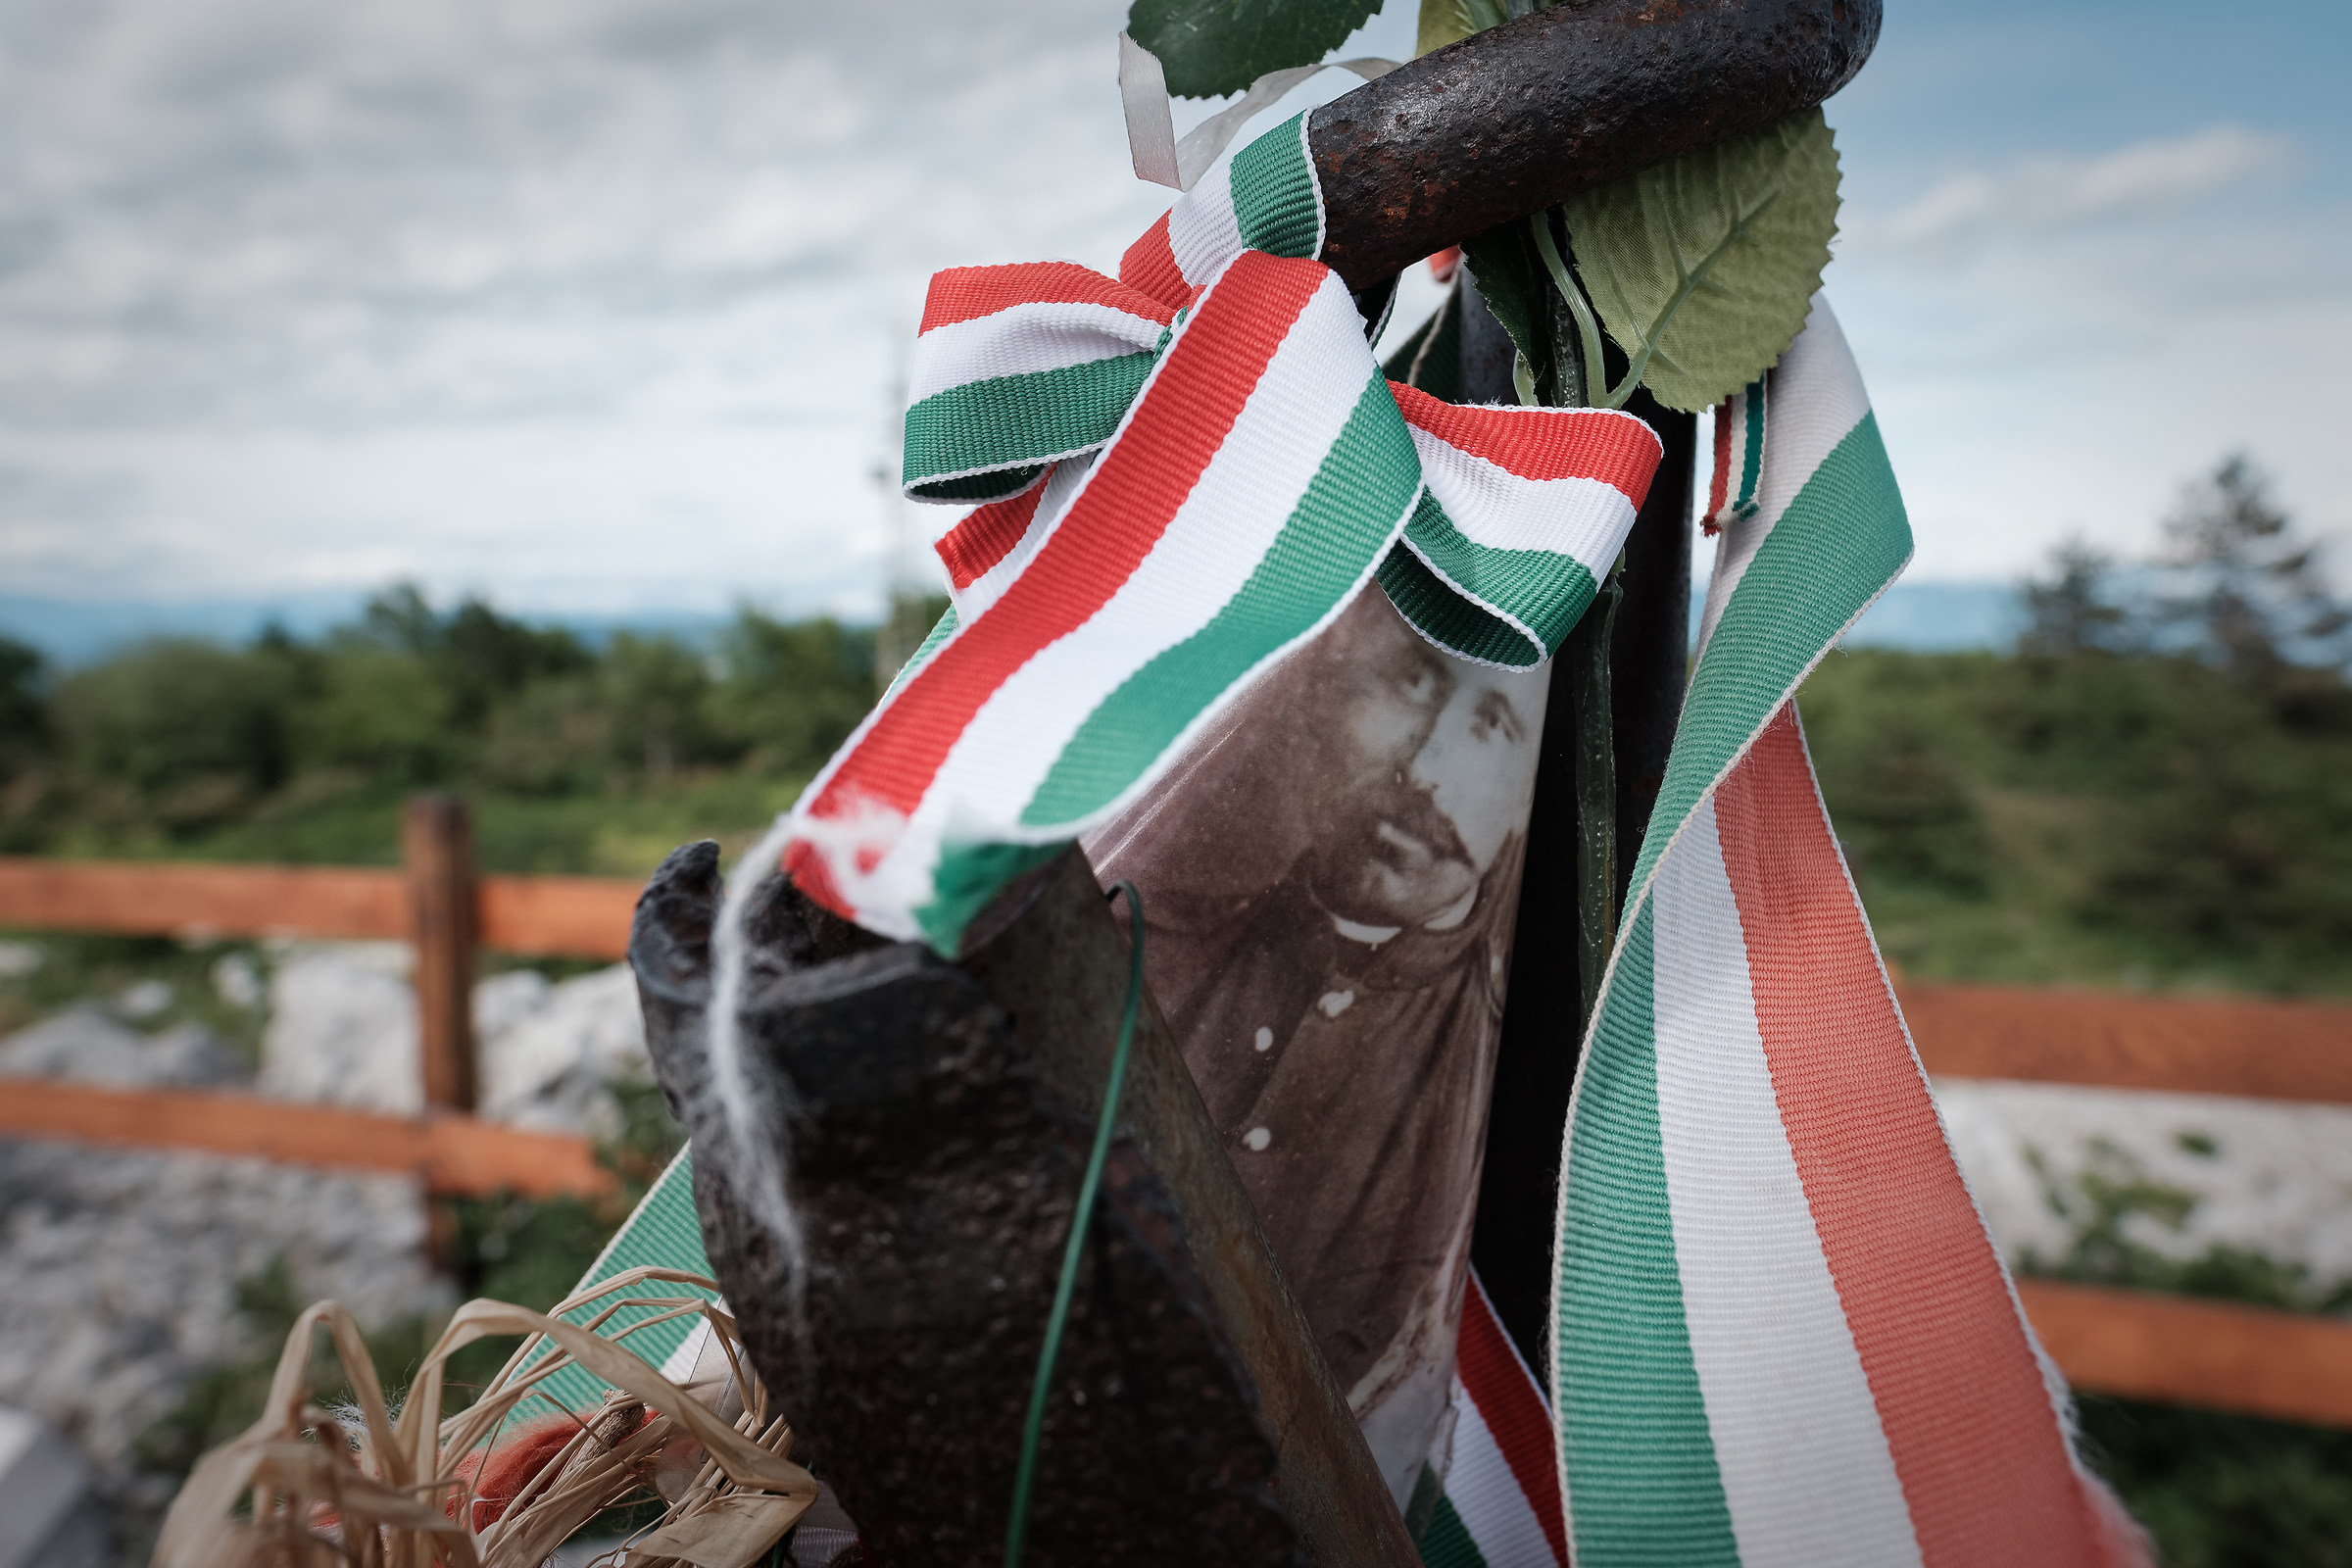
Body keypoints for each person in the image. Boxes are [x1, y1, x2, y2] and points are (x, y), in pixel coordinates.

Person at [1085, 584, 1549, 1500]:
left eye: (1495, 725)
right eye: (1410, 685)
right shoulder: (1146, 946)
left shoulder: (1527, 1079)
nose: (1428, 771)